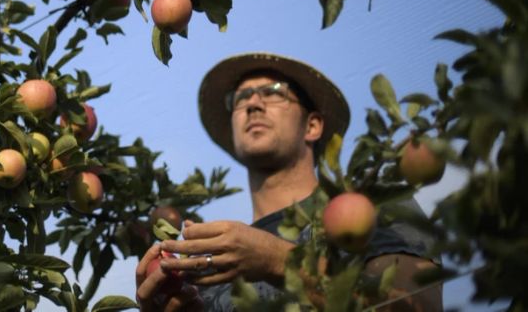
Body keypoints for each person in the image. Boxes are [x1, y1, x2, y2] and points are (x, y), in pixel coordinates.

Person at [135, 52, 442, 311]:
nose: (253, 104)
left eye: (273, 91)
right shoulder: (217, 268)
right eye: (241, 98)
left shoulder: (369, 208)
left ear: (312, 126)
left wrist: (278, 262)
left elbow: (414, 305)